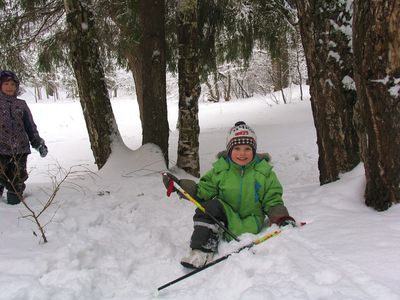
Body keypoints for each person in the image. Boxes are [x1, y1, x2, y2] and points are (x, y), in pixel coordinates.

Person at [163, 121, 295, 269]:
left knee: (215, 209)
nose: (242, 153)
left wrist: (282, 218)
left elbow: (273, 199)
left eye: (247, 148)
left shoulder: (264, 173)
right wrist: (181, 186)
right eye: (237, 148)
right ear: (229, 149)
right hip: (226, 218)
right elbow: (203, 192)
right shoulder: (221, 170)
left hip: (251, 222)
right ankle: (201, 251)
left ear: (254, 150)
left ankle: (212, 238)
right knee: (207, 207)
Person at [0, 70, 48, 205]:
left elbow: (30, 127)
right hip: (1, 150)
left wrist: (38, 143)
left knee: (17, 180)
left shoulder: (21, 105)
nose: (10, 87)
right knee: (2, 175)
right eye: (6, 84)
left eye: (13, 84)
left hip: (20, 150)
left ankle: (15, 199)